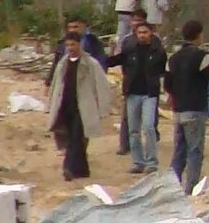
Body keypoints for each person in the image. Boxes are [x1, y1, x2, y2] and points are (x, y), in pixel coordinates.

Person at [44, 26, 114, 181]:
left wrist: (103, 108)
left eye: (73, 45)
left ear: (79, 44)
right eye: (67, 45)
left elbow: (101, 85)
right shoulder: (63, 63)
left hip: (83, 106)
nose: (70, 48)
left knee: (77, 136)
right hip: (65, 105)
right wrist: (50, 104)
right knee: (69, 136)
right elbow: (56, 85)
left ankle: (68, 168)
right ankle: (82, 170)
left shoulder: (90, 63)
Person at [112, 16, 168, 174]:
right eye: (139, 32)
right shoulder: (130, 48)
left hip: (150, 93)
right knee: (133, 129)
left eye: (145, 32)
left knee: (149, 126)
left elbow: (164, 69)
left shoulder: (158, 50)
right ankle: (138, 162)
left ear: (150, 33)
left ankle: (151, 162)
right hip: (132, 93)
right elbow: (118, 61)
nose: (142, 35)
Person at [167, 18, 209, 190]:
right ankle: (192, 187)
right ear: (199, 35)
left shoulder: (173, 58)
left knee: (179, 151)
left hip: (178, 110)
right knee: (195, 150)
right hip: (195, 108)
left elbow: (167, 84)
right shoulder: (202, 56)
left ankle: (171, 186)